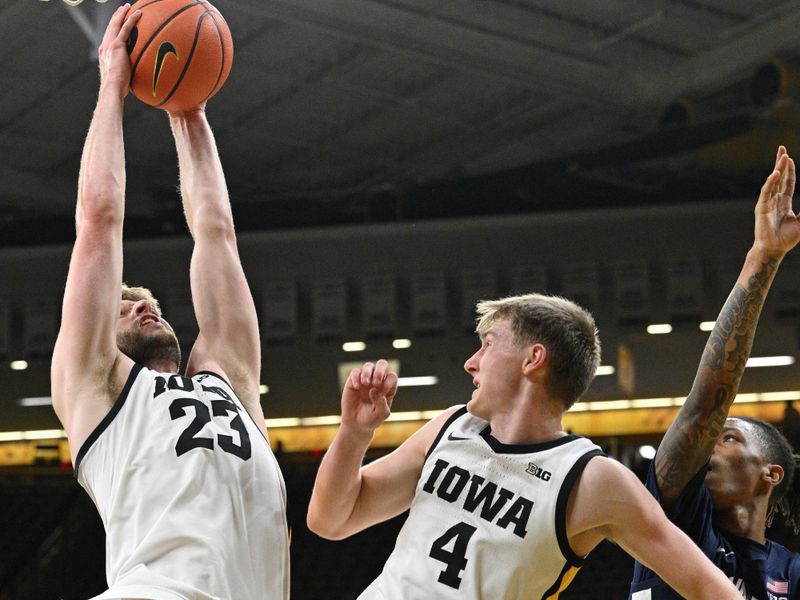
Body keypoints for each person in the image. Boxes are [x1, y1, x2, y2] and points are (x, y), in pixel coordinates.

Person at [50, 5, 288, 599]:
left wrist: (190, 112)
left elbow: (217, 232)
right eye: (122, 308)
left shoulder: (229, 379)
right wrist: (112, 85)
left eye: (146, 302)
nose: (140, 308)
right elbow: (99, 223)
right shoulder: (96, 385)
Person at [307, 297, 742, 597]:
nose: (471, 362)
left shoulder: (590, 478)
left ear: (533, 359)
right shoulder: (452, 426)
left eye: (488, 344)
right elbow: (330, 520)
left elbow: (708, 587)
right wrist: (354, 433)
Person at [629, 148, 800, 600]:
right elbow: (706, 405)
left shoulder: (792, 572)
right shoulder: (675, 521)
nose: (707, 449)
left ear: (770, 474)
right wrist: (763, 255)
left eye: (727, 439)